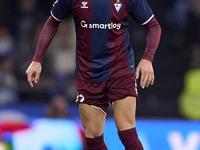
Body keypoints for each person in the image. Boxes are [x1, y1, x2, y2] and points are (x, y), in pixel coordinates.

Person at [25, 0, 161, 149]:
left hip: (120, 70)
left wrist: (147, 58)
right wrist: (37, 60)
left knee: (126, 131)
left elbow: (153, 25)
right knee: (93, 137)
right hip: (88, 73)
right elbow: (52, 22)